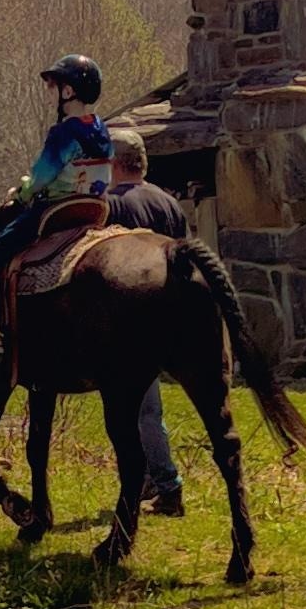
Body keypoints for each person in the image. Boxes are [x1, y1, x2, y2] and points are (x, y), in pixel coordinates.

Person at [0, 53, 114, 363]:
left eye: (53, 86)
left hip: (55, 208)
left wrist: (20, 192)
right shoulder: (102, 128)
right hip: (93, 206)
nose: (49, 91)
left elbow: (41, 178)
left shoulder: (63, 133)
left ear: (68, 92)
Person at [103, 121, 190, 514]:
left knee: (141, 409)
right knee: (146, 407)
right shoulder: (168, 203)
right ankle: (150, 481)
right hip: (174, 311)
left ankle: (166, 484)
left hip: (134, 317)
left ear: (114, 163)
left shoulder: (112, 205)